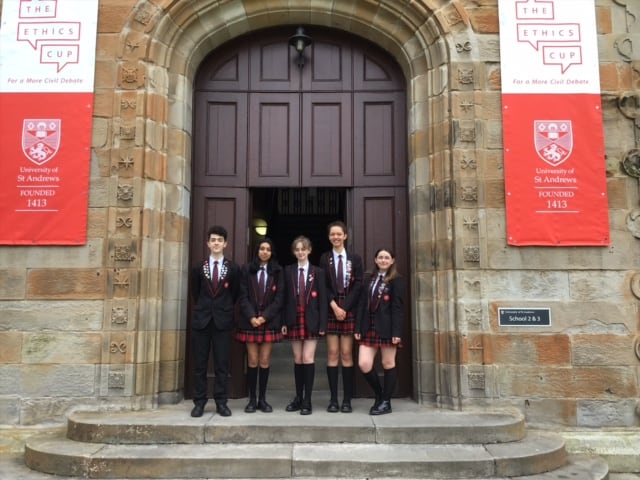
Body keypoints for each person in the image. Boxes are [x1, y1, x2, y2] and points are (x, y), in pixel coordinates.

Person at [189, 225, 240, 418]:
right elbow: (196, 292)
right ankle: (199, 402)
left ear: (225, 243)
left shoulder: (233, 268)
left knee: (221, 364)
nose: (216, 243)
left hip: (223, 322)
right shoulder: (198, 268)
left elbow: (233, 294)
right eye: (213, 240)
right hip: (202, 322)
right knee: (200, 364)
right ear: (208, 243)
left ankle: (221, 402)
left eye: (220, 240)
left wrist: (223, 309)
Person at [236, 238, 285, 413]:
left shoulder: (278, 271)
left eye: (268, 249)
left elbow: (279, 299)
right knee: (253, 360)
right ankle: (252, 400)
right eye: (262, 248)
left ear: (272, 253)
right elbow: (242, 296)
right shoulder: (246, 269)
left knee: (264, 360)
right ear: (257, 250)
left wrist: (264, 317)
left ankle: (262, 400)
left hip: (269, 321)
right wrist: (252, 317)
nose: (265, 252)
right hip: (250, 322)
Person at [319, 221, 363, 413]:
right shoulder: (324, 258)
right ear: (329, 237)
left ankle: (347, 400)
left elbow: (359, 284)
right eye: (332, 234)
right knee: (333, 354)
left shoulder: (355, 258)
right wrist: (334, 306)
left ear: (345, 236)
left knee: (346, 354)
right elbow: (323, 285)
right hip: (331, 308)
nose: (336, 237)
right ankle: (333, 399)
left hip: (348, 309)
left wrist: (344, 307)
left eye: (339, 234)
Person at [354, 248, 405, 415]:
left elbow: (397, 308)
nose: (383, 260)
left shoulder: (397, 280)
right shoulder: (368, 278)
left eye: (386, 258)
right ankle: (379, 394)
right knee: (364, 363)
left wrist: (397, 332)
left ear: (392, 261)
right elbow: (362, 304)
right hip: (368, 327)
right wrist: (358, 328)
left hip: (388, 328)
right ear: (375, 260)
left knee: (388, 363)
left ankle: (386, 402)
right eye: (380, 257)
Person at [283, 235, 327, 415]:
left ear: (309, 250)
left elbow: (323, 300)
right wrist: (284, 322)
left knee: (308, 358)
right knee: (298, 359)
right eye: (297, 249)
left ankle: (308, 400)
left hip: (312, 319)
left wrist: (323, 324)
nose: (300, 252)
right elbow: (284, 299)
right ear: (294, 252)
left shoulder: (318, 272)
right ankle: (298, 397)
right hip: (294, 319)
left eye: (303, 249)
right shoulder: (288, 271)